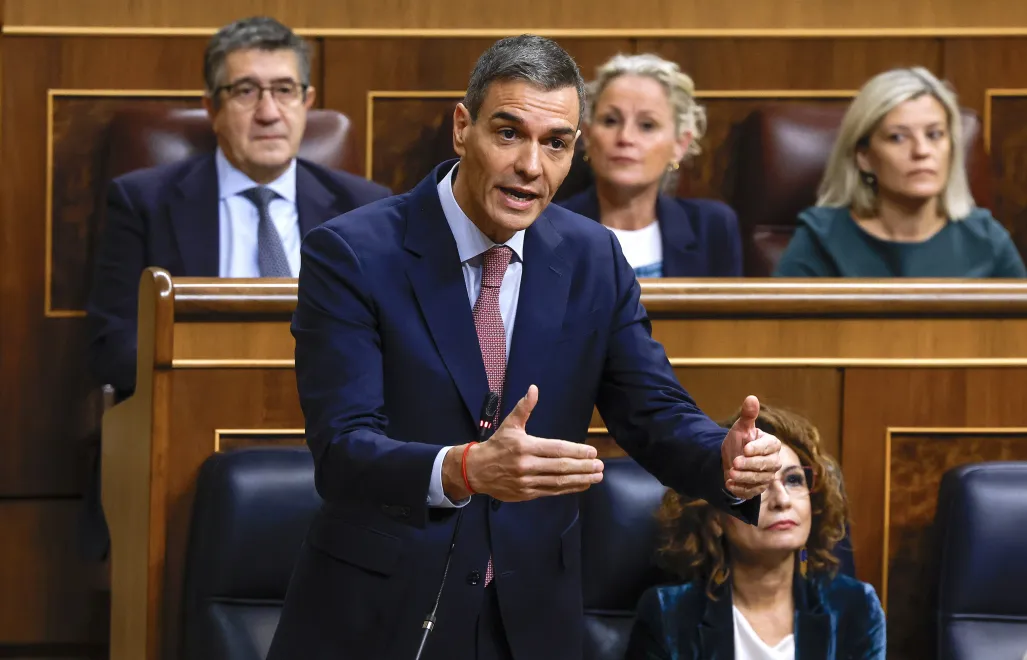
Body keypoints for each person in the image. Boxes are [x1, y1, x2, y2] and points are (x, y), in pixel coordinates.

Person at [267, 35, 783, 660]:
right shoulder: (351, 253)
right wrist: (465, 468)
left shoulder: (594, 257)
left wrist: (722, 456)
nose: (531, 166)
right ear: (464, 128)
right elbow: (344, 449)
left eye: (556, 143)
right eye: (508, 133)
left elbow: (653, 414)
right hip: (378, 615)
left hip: (532, 619)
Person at [85, 16, 390, 400]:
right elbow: (112, 347)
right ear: (213, 108)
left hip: (328, 417)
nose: (268, 112)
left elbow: (392, 339)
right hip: (194, 407)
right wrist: (227, 372)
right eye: (246, 91)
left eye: (284, 90)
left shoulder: (365, 206)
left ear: (306, 102)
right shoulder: (143, 203)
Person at [626, 405, 886, 660]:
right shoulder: (668, 615)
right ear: (715, 518)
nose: (782, 500)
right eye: (757, 487)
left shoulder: (856, 607)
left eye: (794, 480)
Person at [774, 66, 1025, 278]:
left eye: (934, 135)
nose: (921, 151)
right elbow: (780, 334)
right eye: (897, 137)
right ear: (864, 157)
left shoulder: (986, 240)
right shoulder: (821, 241)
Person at [559, 53, 742, 278]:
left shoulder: (712, 227)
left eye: (647, 125)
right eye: (610, 121)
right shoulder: (549, 227)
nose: (625, 137)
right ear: (587, 135)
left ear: (679, 144)